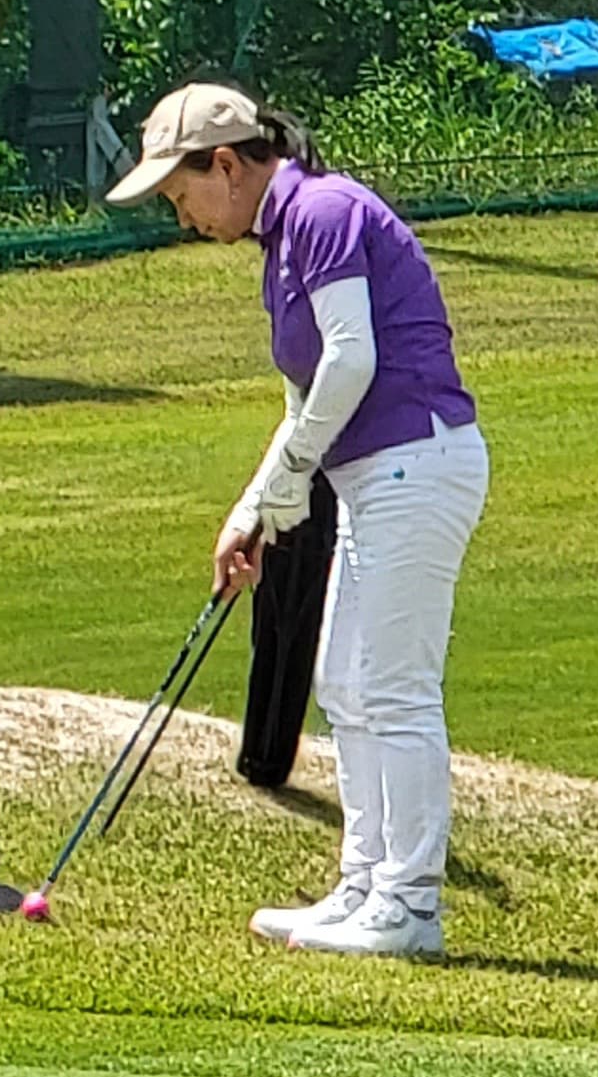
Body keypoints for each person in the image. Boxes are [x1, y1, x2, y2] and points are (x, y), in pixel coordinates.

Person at [108, 82, 483, 958]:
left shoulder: (321, 210)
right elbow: (303, 402)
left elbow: (352, 363)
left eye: (181, 193)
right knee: (346, 685)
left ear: (228, 165)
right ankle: (365, 886)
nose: (182, 215)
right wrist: (253, 511)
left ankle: (410, 905)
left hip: (418, 460)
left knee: (394, 689)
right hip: (374, 477)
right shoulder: (280, 247)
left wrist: (288, 482)